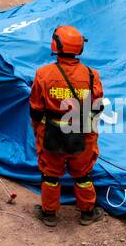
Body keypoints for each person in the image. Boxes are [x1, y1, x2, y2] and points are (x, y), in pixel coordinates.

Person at [29, 25, 104, 227]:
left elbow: (36, 108)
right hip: (81, 132)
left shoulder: (43, 74)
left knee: (50, 174)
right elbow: (96, 108)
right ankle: (88, 212)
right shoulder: (91, 75)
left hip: (51, 132)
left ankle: (49, 214)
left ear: (55, 45)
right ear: (80, 48)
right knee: (83, 173)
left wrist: (37, 129)